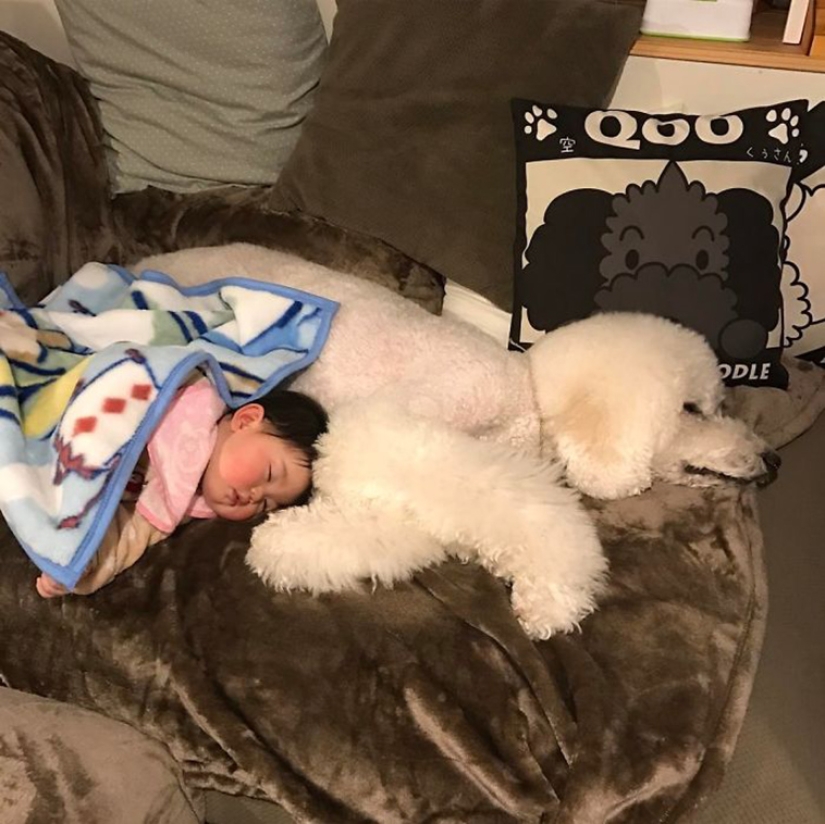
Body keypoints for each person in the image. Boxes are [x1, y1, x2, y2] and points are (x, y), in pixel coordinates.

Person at [35, 376, 328, 598]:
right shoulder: (190, 398)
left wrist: (76, 563)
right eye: (268, 473)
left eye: (265, 505)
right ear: (246, 420)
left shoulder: (183, 505)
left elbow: (130, 534)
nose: (254, 496)